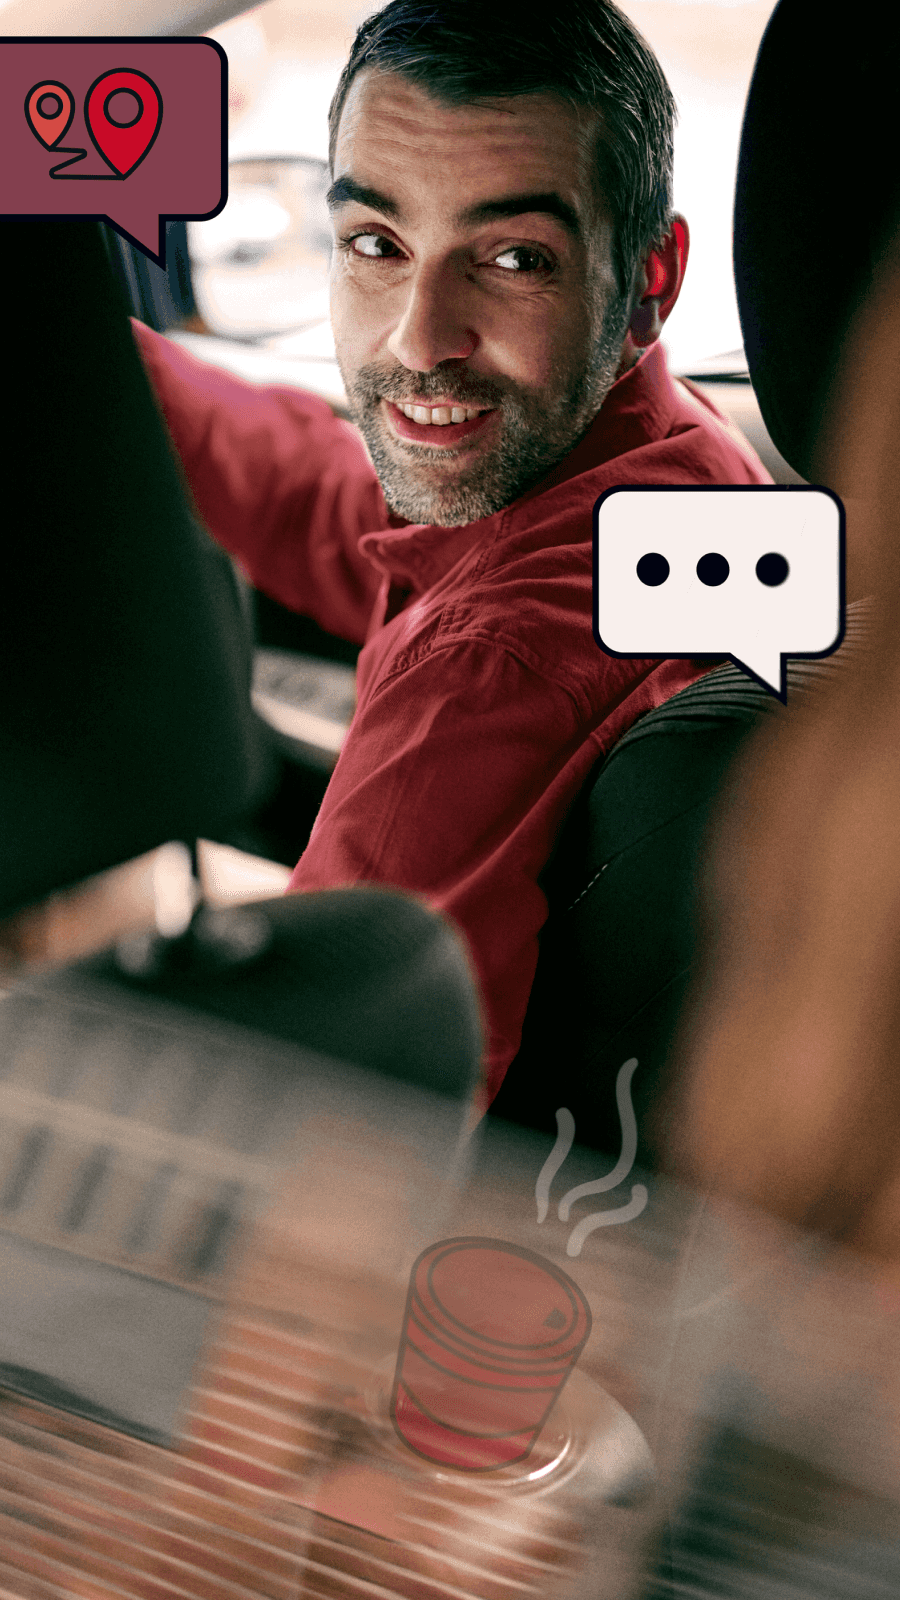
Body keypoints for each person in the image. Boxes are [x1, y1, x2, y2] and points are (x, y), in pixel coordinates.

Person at [133, 0, 770, 1111]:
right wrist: (93, 363)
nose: (419, 337)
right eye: (377, 244)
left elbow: (299, 1111)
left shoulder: (487, 666)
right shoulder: (674, 476)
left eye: (515, 258)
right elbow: (341, 512)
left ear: (651, 282)